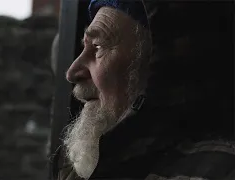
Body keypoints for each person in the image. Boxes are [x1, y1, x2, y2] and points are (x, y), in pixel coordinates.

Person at [50, 0, 234, 180]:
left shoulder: (218, 171)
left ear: (157, 63)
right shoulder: (80, 169)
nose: (72, 72)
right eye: (84, 46)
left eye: (98, 46)